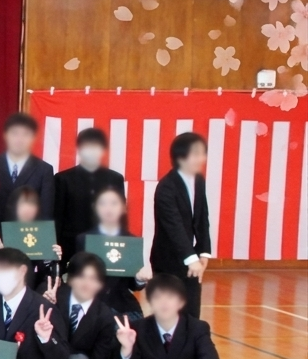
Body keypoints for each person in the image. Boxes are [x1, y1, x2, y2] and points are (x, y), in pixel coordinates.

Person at [151, 132, 211, 319]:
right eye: (196, 154)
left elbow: (202, 217)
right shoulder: (166, 187)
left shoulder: (199, 180)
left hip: (191, 257)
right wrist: (190, 258)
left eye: (202, 153)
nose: (201, 158)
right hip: (168, 260)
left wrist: (204, 251)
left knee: (191, 313)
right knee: (169, 315)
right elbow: (173, 226)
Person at [82, 186, 152, 320]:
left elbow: (133, 285)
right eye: (103, 203)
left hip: (122, 305)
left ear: (123, 208)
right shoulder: (83, 240)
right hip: (90, 306)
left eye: (114, 203)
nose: (108, 209)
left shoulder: (131, 241)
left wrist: (139, 278)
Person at [55, 128, 126, 256]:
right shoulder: (63, 179)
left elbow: (120, 216)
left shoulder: (115, 179)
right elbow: (57, 218)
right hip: (71, 247)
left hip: (105, 245)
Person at [0, 113, 55, 225]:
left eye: (25, 134)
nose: (19, 139)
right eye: (14, 133)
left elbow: (46, 213)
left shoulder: (44, 170)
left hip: (28, 233)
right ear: (5, 135)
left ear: (33, 138)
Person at [0, 186, 63, 291]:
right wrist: (0, 256)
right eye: (23, 204)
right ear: (13, 206)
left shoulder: (43, 234)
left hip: (35, 294)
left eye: (32, 204)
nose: (27, 209)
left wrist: (51, 258)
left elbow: (48, 277)